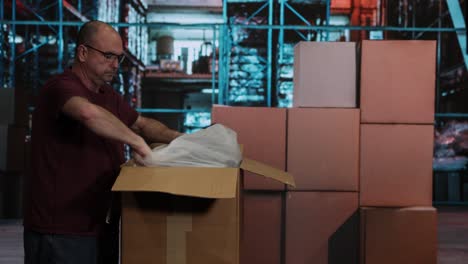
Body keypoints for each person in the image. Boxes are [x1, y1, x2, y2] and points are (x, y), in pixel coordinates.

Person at [23, 20, 181, 264]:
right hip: (63, 229)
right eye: (108, 56)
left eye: (119, 58)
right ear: (83, 52)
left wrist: (183, 140)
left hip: (102, 225)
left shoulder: (108, 96)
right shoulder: (60, 87)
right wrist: (137, 143)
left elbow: (141, 123)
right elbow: (88, 113)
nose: (115, 65)